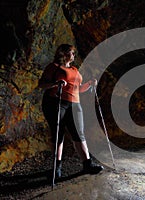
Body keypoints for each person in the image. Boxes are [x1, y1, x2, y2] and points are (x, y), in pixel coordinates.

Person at [38, 44, 104, 178]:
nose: (74, 55)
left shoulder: (74, 69)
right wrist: (56, 84)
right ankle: (57, 168)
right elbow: (42, 85)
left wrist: (90, 84)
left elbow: (78, 89)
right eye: (71, 52)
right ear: (64, 53)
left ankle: (87, 165)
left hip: (75, 104)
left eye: (74, 53)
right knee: (59, 133)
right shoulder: (54, 67)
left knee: (79, 133)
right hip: (56, 102)